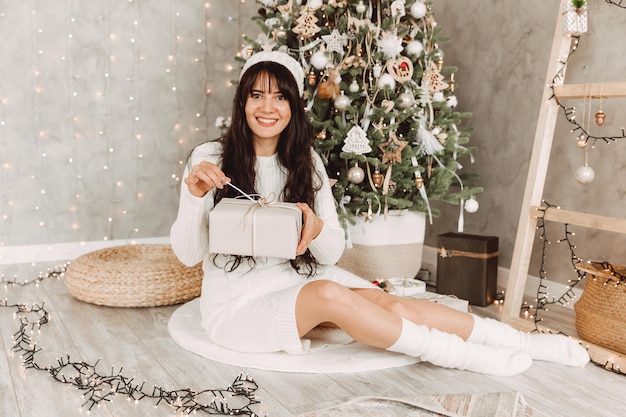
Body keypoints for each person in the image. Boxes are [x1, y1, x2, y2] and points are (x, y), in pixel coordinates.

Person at [170, 50, 589, 376]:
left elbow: (331, 253)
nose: (267, 107)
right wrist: (193, 197)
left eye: (280, 96)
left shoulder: (306, 162)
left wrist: (314, 229)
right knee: (328, 294)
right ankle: (461, 357)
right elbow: (188, 256)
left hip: (292, 281)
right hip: (237, 305)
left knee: (395, 306)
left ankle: (524, 343)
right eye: (256, 94)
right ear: (242, 101)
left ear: (294, 106)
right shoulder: (209, 158)